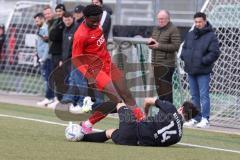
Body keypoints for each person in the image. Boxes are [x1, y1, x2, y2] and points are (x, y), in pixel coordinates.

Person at [72, 4, 144, 133]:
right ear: (85, 18)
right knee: (117, 100)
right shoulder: (81, 35)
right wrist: (89, 77)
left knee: (127, 94)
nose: (96, 24)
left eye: (98, 20)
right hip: (95, 71)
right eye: (93, 21)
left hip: (109, 65)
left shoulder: (98, 23)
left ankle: (142, 122)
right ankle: (132, 127)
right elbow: (76, 59)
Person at [80, 98, 199, 146]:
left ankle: (91, 107)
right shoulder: (179, 136)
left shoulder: (171, 108)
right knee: (110, 132)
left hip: (134, 129)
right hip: (132, 142)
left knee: (119, 103)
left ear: (181, 108)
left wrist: (146, 114)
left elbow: (147, 101)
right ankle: (81, 137)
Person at [180, 12, 220, 128]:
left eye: (200, 22)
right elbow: (184, 49)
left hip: (203, 71)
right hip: (191, 70)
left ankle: (205, 118)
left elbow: (215, 53)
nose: (198, 24)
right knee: (194, 96)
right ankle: (195, 117)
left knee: (204, 95)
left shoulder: (211, 36)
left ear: (205, 21)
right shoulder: (190, 34)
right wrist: (185, 58)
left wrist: (203, 61)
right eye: (196, 22)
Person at [148, 10, 181, 103]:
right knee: (160, 91)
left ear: (168, 19)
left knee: (166, 92)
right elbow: (154, 45)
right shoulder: (156, 29)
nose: (160, 21)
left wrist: (158, 45)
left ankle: (168, 114)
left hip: (166, 65)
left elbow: (176, 46)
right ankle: (163, 113)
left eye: (162, 19)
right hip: (156, 64)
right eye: (158, 19)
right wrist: (150, 43)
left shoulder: (173, 29)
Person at [44, 4, 66, 108]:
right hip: (54, 53)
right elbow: (52, 35)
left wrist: (53, 35)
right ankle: (57, 98)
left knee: (60, 78)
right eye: (57, 11)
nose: (58, 13)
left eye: (60, 11)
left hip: (60, 54)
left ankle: (61, 100)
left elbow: (55, 36)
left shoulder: (64, 22)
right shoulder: (57, 21)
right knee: (56, 77)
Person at [34, 13, 55, 107]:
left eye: (37, 20)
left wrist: (44, 57)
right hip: (42, 57)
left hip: (46, 58)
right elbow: (39, 44)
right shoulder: (40, 29)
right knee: (46, 78)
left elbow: (47, 45)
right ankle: (49, 98)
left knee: (48, 79)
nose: (36, 22)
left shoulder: (46, 29)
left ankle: (49, 98)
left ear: (42, 19)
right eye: (35, 21)